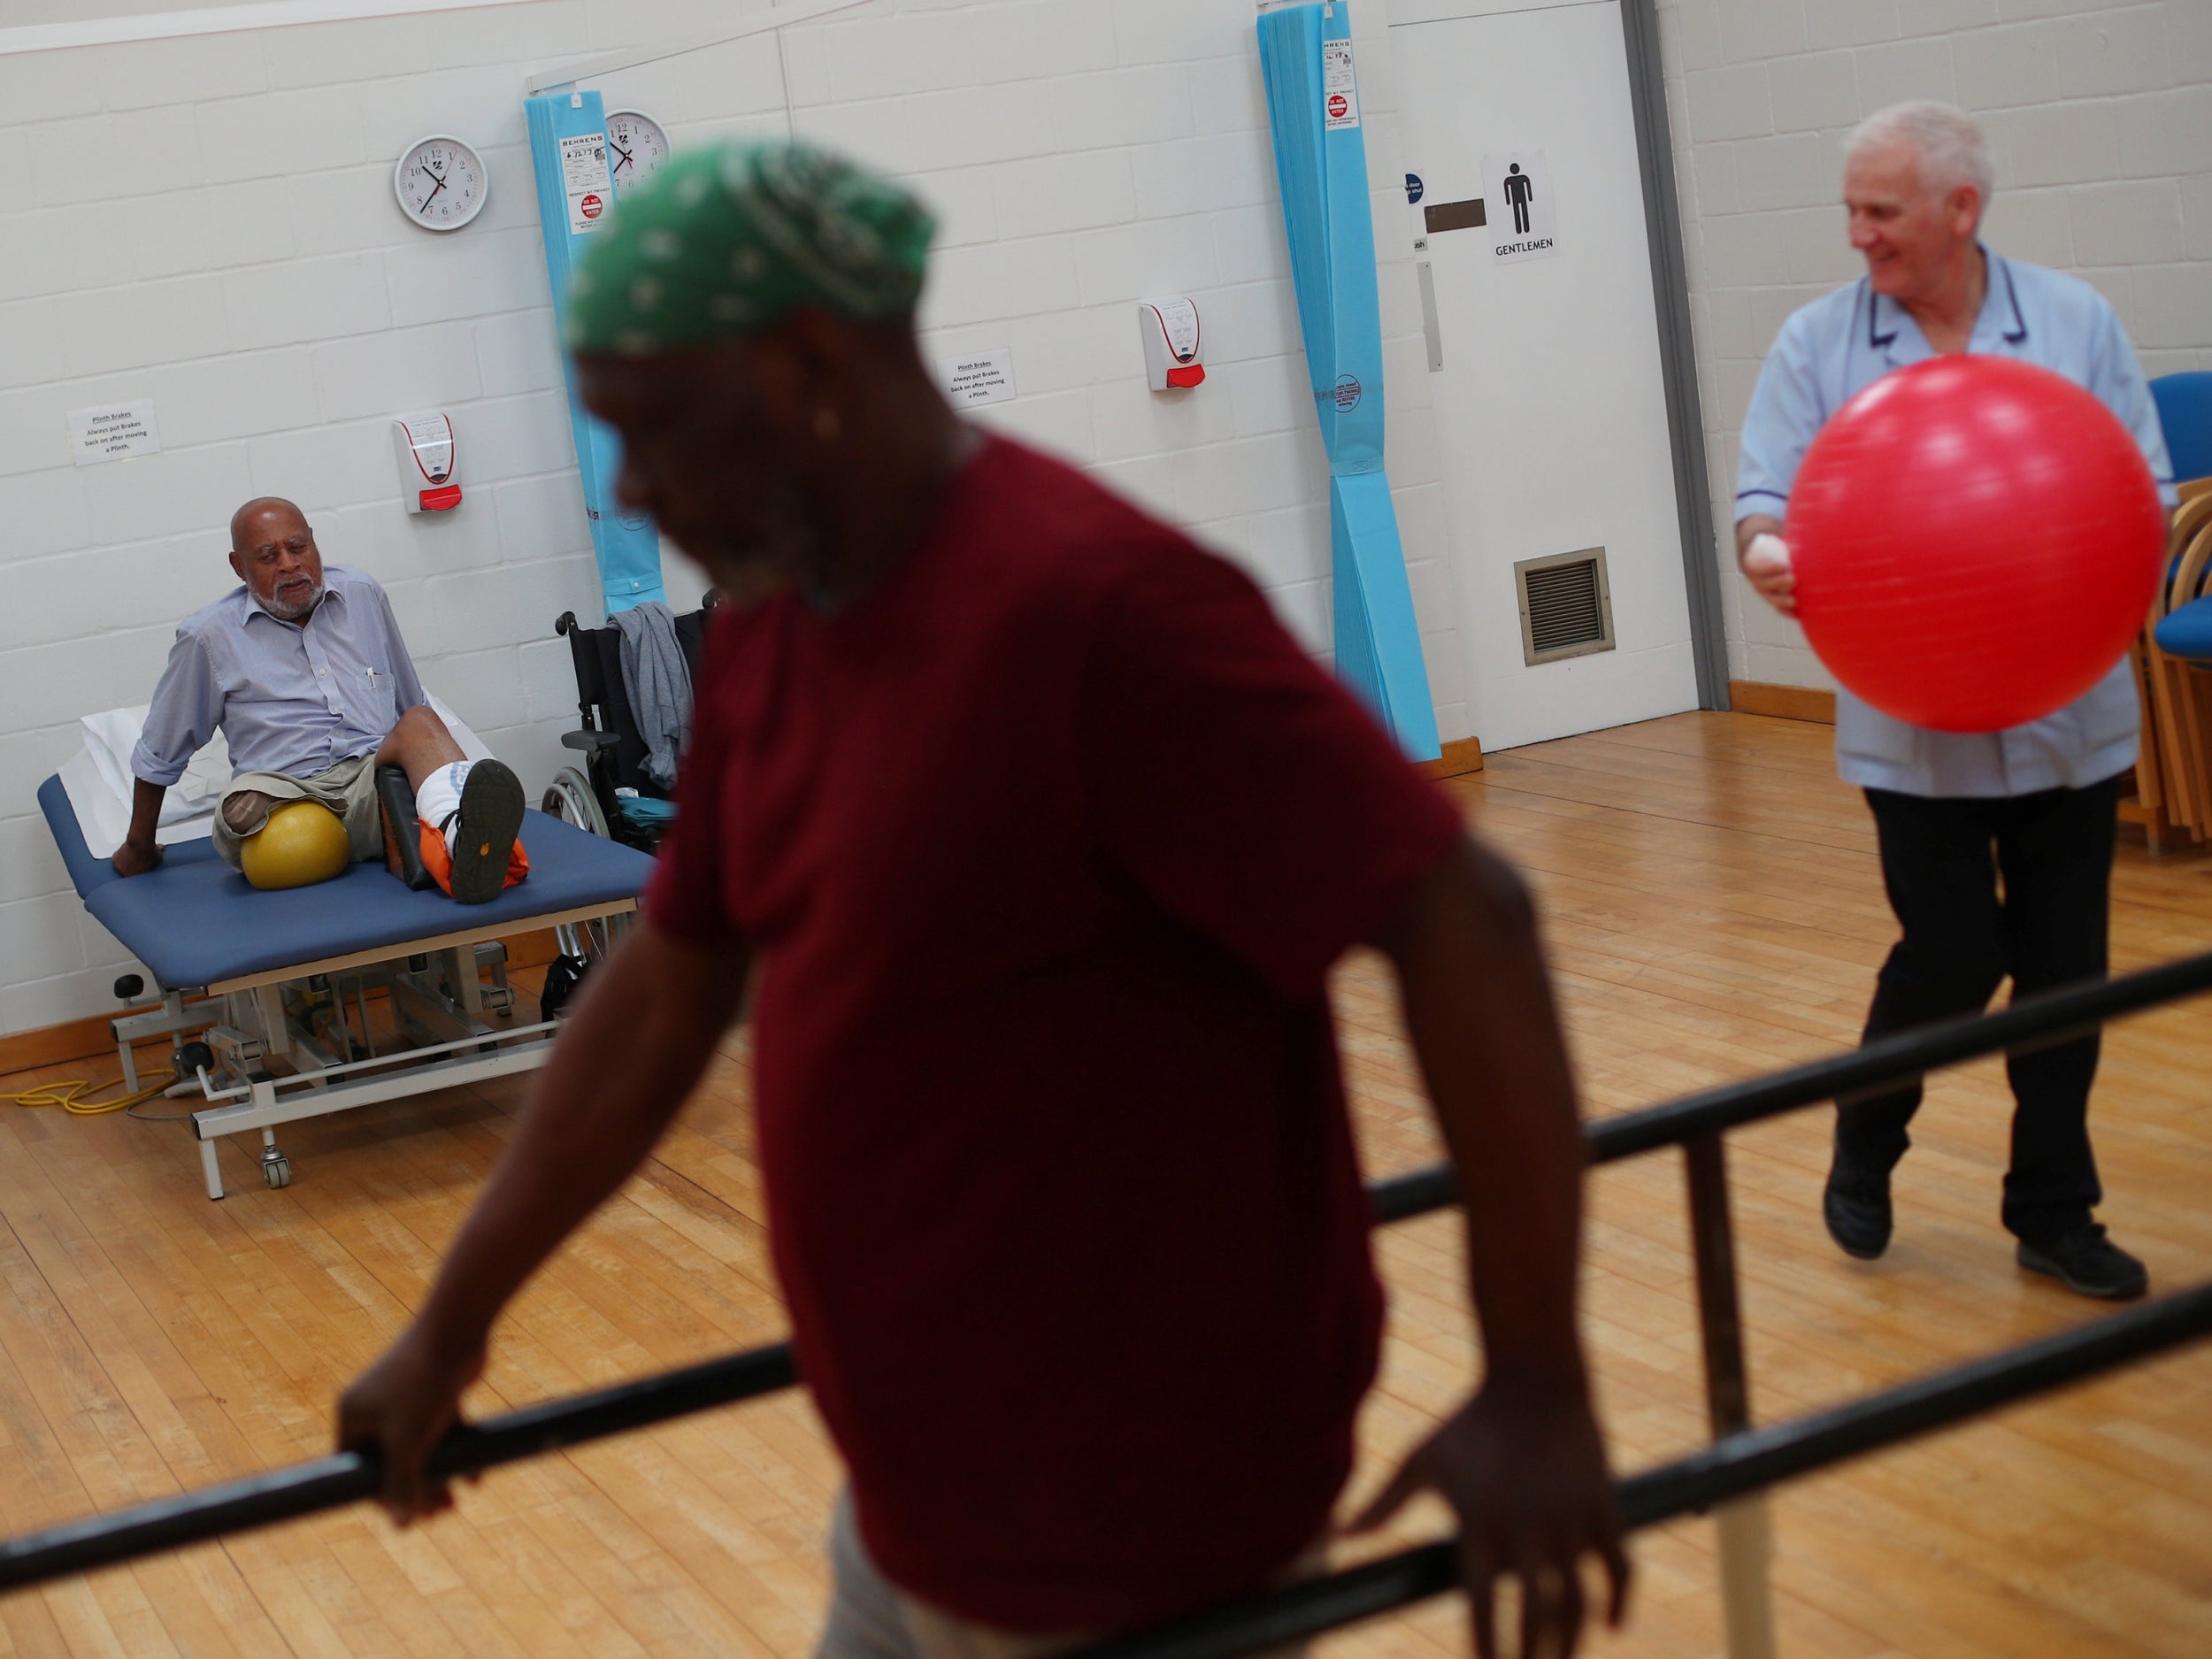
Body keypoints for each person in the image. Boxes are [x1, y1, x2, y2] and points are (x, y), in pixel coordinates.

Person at [337, 139, 1628, 1659]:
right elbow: (675, 980)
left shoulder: (1098, 614)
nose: (631, 486)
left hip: (1129, 1535)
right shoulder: (771, 626)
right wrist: (454, 1320)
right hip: (912, 1505)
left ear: (808, 361)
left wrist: (1539, 1381)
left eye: (653, 428)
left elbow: (1466, 917)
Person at [1734, 102, 2177, 1301]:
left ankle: (2053, 1209)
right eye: (1852, 211)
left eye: (1881, 212)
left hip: (2066, 720)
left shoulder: (2072, 321)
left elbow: (2139, 484)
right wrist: (1768, 551)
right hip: (1909, 724)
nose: (1859, 237)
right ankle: (1868, 1134)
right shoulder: (1819, 341)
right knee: (1950, 950)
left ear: (1960, 210)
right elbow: (1763, 497)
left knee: (2064, 973)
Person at [117, 496, 528, 903]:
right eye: (267, 556)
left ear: (313, 543)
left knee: (421, 720)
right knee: (246, 805)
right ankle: (419, 841)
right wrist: (139, 847)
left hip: (375, 782)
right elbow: (161, 751)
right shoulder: (208, 637)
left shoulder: (362, 595)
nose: (289, 564)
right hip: (282, 794)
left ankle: (463, 843)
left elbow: (408, 700)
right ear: (239, 567)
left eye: (298, 548)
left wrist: (428, 765)